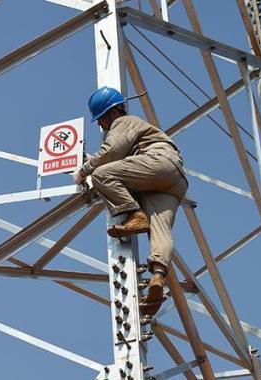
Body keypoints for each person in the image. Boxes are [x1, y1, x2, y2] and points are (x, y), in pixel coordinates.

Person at [73, 86, 189, 315]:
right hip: (174, 180)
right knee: (160, 229)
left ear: (111, 113)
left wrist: (84, 171)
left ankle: (135, 215)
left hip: (157, 163)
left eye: (101, 120)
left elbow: (111, 152)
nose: (102, 126)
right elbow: (121, 159)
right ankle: (158, 275)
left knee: (101, 175)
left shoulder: (123, 122)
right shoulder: (138, 128)